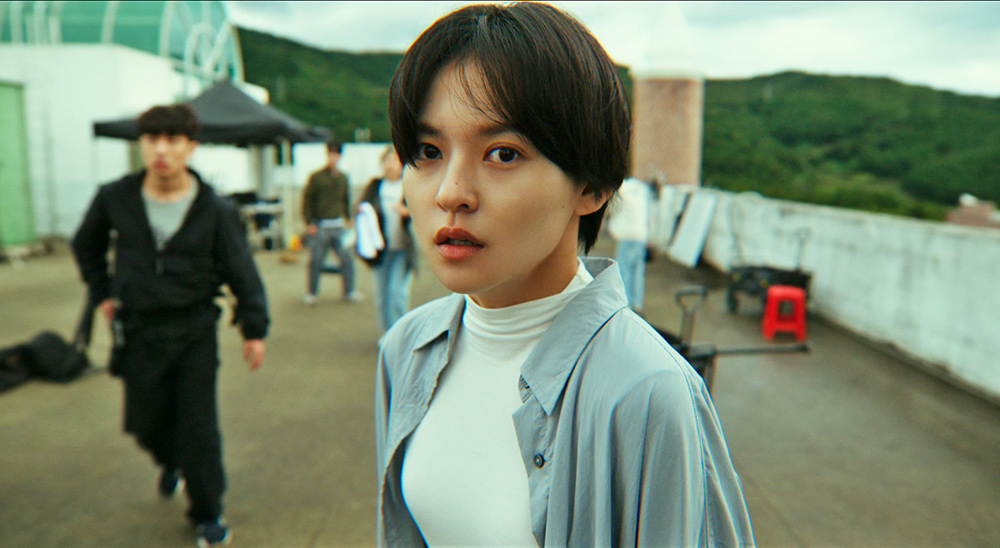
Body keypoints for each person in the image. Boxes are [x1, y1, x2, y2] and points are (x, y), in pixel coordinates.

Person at [374, 3, 755, 547]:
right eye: (428, 151)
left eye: (503, 154)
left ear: (592, 186)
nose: (450, 192)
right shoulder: (406, 351)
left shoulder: (648, 392)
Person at [71, 104, 268, 548]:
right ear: (141, 144)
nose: (161, 149)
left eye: (172, 139)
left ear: (190, 146)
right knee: (145, 421)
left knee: (198, 426)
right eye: (152, 139)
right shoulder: (115, 197)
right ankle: (170, 460)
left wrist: (254, 329)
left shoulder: (215, 209)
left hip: (194, 329)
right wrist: (103, 292)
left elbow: (241, 269)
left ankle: (207, 510)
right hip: (138, 329)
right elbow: (86, 245)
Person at [357, 147, 417, 337]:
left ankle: (400, 333)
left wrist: (407, 213)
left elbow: (422, 213)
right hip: (380, 251)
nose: (391, 165)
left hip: (402, 249)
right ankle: (387, 334)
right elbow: (361, 207)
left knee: (397, 292)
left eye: (395, 160)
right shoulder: (375, 186)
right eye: (387, 160)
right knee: (382, 295)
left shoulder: (409, 185)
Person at [302, 140, 362, 305]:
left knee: (347, 258)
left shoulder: (343, 178)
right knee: (316, 259)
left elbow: (345, 199)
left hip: (338, 225)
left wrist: (349, 217)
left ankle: (349, 291)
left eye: (336, 155)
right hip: (321, 224)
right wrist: (309, 222)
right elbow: (308, 200)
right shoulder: (316, 177)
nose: (333, 158)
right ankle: (311, 293)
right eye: (330, 154)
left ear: (339, 156)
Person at [606, 176, 654, 312]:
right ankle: (637, 303)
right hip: (641, 236)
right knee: (638, 271)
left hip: (627, 236)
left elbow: (613, 210)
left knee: (624, 270)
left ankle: (626, 304)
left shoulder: (623, 191)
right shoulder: (641, 192)